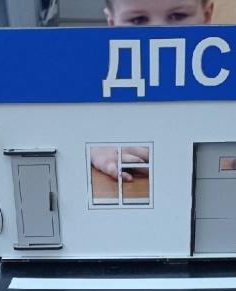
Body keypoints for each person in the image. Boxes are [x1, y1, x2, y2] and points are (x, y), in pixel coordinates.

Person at [91, 1, 214, 180]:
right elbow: (74, 132)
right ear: (112, 23)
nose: (159, 32)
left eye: (178, 16)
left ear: (207, 15)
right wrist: (97, 148)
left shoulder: (232, 74)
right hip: (137, 184)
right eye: (138, 20)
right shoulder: (101, 80)